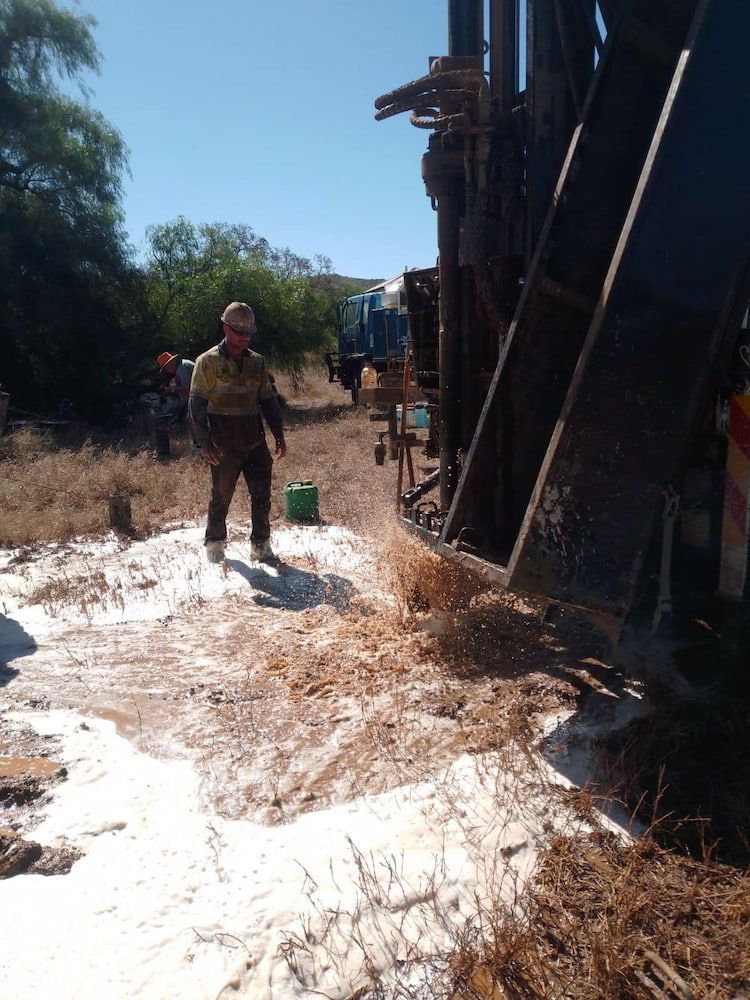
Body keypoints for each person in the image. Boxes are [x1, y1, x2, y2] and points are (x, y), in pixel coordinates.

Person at [188, 302, 286, 564]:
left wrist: (278, 433)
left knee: (262, 495)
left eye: (248, 333)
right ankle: (215, 544)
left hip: (254, 440)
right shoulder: (207, 362)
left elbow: (268, 400)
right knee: (221, 495)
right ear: (225, 328)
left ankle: (261, 545)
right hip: (223, 443)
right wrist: (204, 442)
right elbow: (196, 405)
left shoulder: (257, 362)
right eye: (238, 331)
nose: (244, 337)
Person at [156, 351, 195, 424]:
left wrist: (172, 390)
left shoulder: (182, 368)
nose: (167, 371)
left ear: (170, 364)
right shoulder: (181, 366)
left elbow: (189, 390)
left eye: (166, 369)